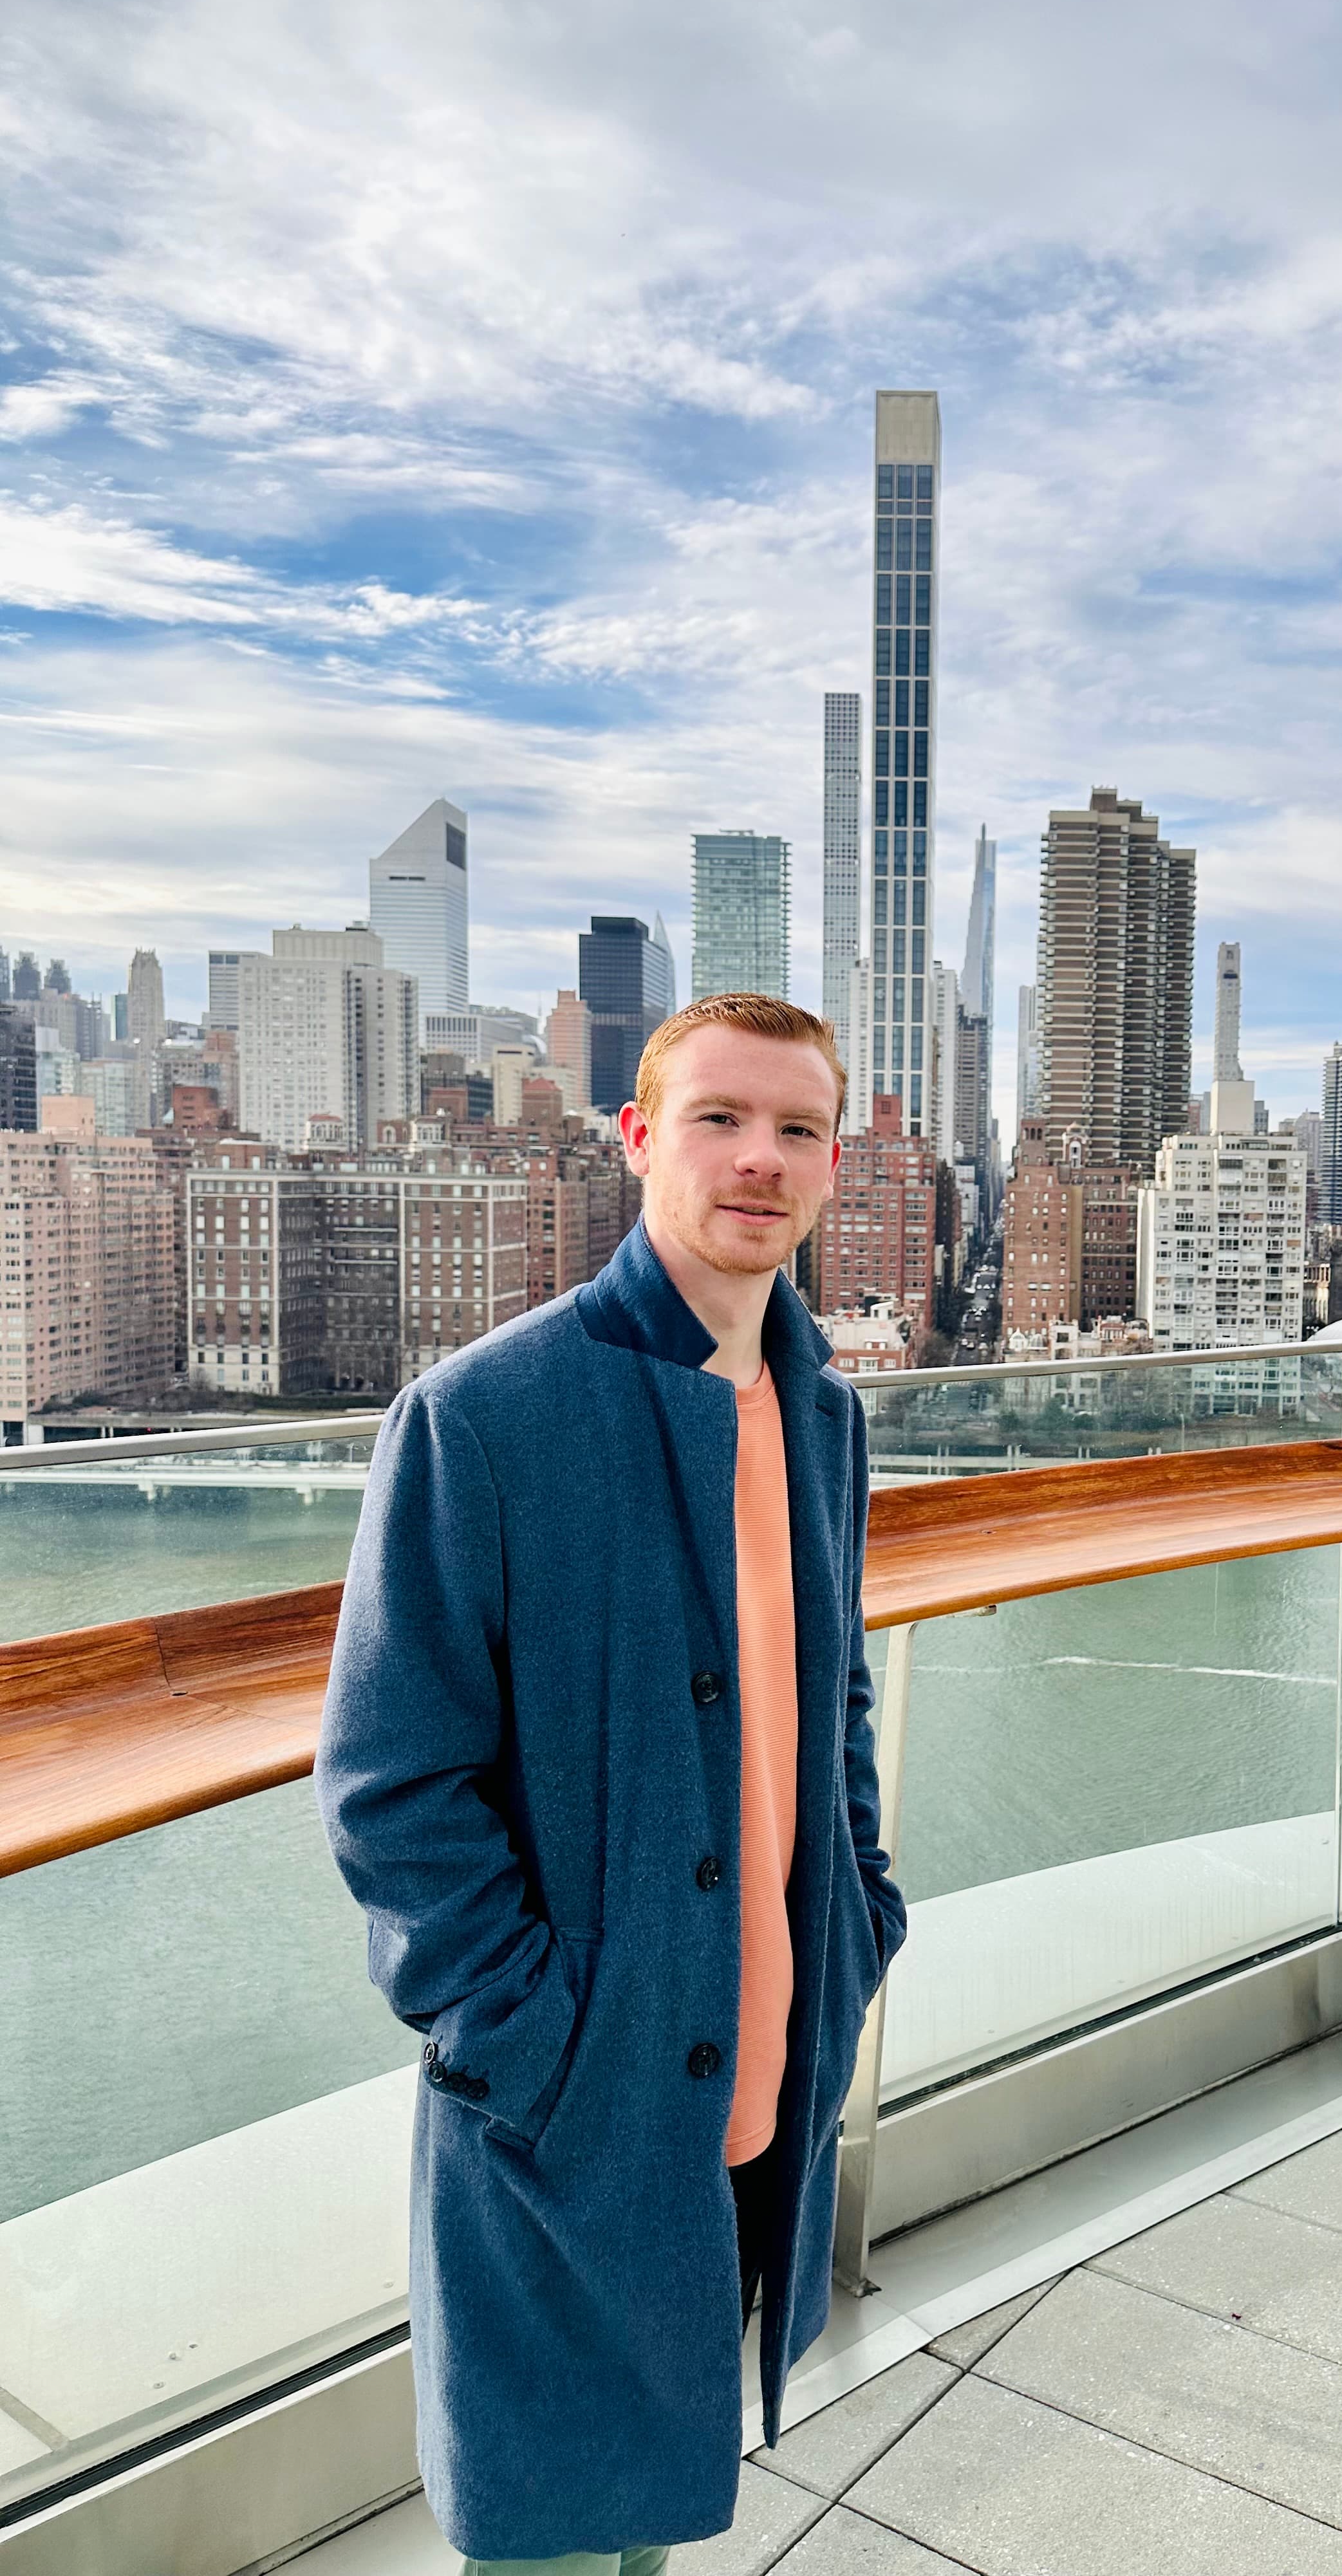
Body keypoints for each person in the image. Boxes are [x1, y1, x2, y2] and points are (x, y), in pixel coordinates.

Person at [316, 992, 906, 2571]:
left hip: (760, 2070)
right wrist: (529, 2046)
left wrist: (863, 1909)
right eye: (718, 1118)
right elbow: (391, 1788)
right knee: (550, 2533)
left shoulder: (825, 1416)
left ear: (833, 1165)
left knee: (653, 2512)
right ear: (639, 1140)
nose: (760, 1160)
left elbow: (831, 1691)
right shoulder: (482, 1418)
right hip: (570, 2105)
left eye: (798, 1129)